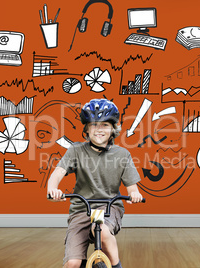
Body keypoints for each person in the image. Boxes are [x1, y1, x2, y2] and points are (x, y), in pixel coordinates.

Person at [47, 98, 143, 268]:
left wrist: (134, 194)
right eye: (94, 125)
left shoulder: (122, 154)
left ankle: (115, 266)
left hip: (108, 208)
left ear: (113, 129)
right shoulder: (76, 150)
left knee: (102, 230)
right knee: (73, 263)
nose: (99, 129)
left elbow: (132, 187)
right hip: (81, 209)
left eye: (105, 125)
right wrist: (53, 189)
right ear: (87, 128)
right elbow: (57, 173)